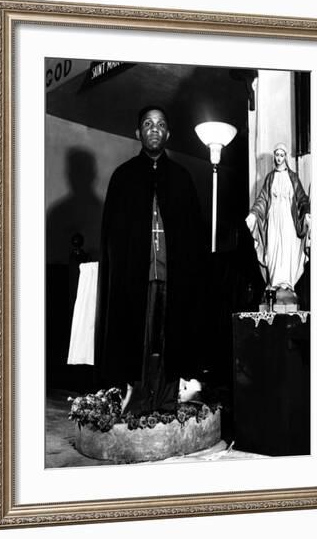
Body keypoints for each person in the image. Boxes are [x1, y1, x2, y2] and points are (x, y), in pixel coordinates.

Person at [94, 105, 206, 415]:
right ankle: (138, 401)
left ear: (168, 133)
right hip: (135, 278)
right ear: (138, 133)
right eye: (147, 123)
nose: (154, 128)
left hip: (173, 277)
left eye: (160, 124)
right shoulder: (123, 177)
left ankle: (169, 400)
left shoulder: (182, 179)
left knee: (170, 339)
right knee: (138, 341)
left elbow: (193, 238)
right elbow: (113, 238)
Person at [245, 142, 311, 304]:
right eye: (277, 155)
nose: (279, 158)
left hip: (288, 218)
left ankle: (287, 285)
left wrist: (307, 212)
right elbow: (262, 200)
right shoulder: (270, 178)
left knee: (287, 248)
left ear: (285, 157)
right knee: (273, 247)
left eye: (282, 155)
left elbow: (302, 199)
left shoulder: (293, 177)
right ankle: (274, 284)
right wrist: (254, 214)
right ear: (274, 156)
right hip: (273, 219)